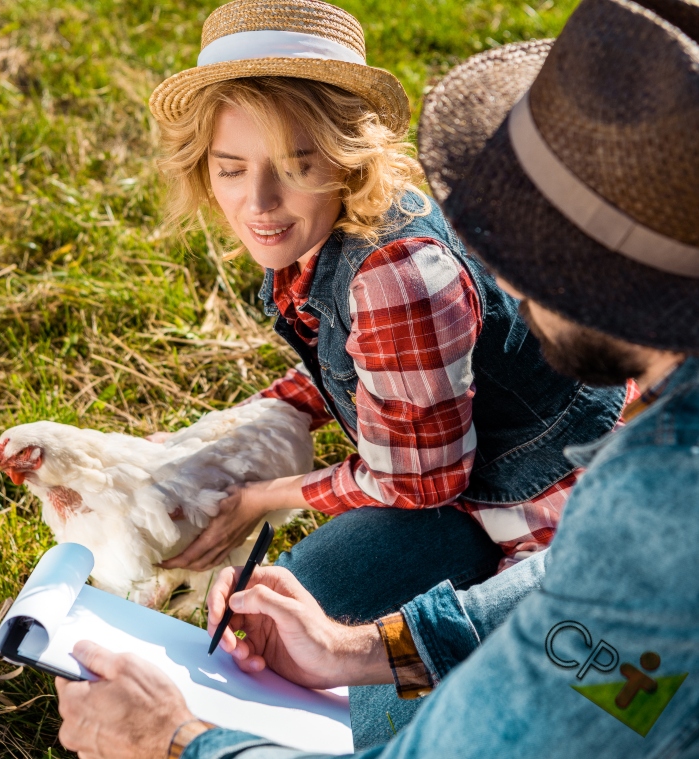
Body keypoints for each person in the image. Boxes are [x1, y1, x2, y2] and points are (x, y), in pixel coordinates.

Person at [54, 0, 699, 756]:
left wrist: (179, 739)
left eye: (522, 238)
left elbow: (589, 678)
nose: (492, 276)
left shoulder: (657, 504)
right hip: (587, 620)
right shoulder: (655, 473)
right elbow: (604, 649)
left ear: (605, 269)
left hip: (503, 522)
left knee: (370, 718)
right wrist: (365, 651)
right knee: (288, 639)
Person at [150, 0, 625, 622]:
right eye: (232, 169)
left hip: (547, 508)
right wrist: (219, 433)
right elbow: (362, 361)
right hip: (454, 489)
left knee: (418, 683)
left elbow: (417, 483)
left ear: (348, 156)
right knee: (271, 609)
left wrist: (262, 497)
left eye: (298, 165)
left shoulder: (397, 276)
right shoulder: (325, 231)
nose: (258, 202)